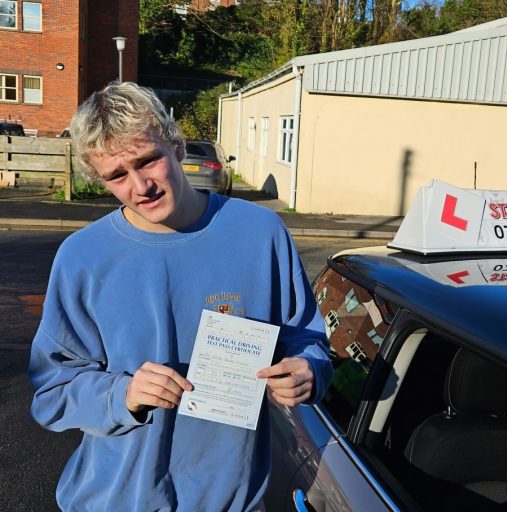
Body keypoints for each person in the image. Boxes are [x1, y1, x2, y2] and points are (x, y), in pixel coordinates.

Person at [28, 82, 332, 512]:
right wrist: (124, 394)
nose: (140, 186)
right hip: (114, 500)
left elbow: (308, 339)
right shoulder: (82, 258)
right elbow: (52, 392)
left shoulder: (260, 234)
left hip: (231, 501)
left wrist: (309, 370)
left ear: (176, 145)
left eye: (148, 160)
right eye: (117, 175)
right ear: (101, 180)